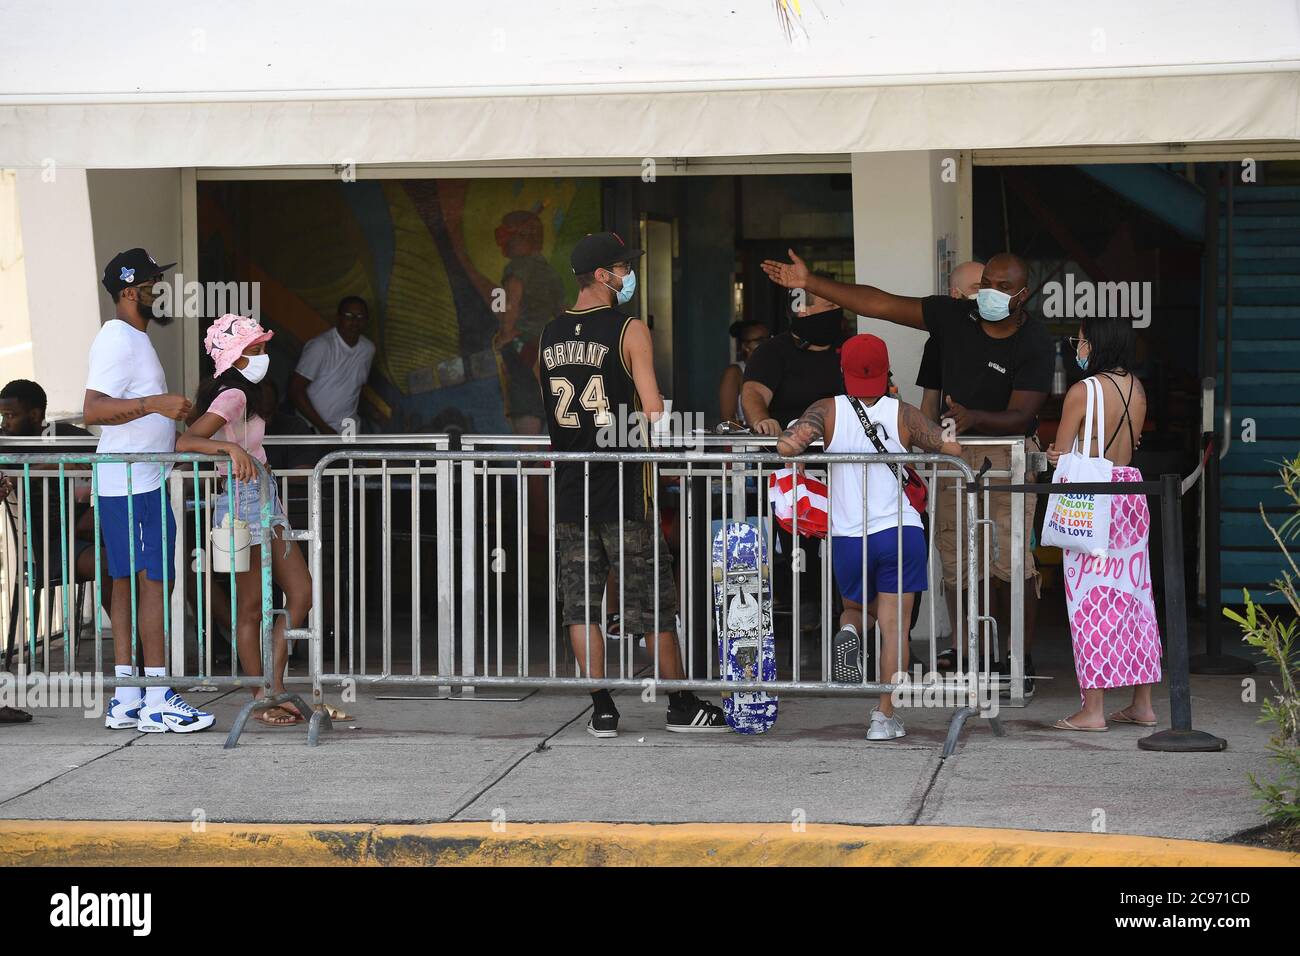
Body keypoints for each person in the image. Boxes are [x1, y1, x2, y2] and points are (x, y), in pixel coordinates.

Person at [762, 250, 1053, 693]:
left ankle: (1018, 663)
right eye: (985, 284)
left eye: (1002, 287)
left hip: (1007, 452)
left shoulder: (1035, 339)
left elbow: (1023, 413)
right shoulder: (953, 316)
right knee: (957, 560)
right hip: (954, 454)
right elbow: (878, 303)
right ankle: (969, 656)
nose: (989, 293)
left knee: (1011, 562)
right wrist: (812, 281)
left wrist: (972, 419)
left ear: (1023, 294)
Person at [539, 231, 727, 736]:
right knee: (652, 606)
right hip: (624, 491)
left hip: (570, 491)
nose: (628, 276)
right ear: (603, 276)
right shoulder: (628, 329)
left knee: (581, 606)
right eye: (623, 268)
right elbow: (653, 412)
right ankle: (682, 705)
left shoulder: (549, 335)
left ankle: (601, 708)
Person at [778, 334, 961, 740]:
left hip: (848, 536)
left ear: (842, 370)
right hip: (899, 531)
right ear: (886, 371)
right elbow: (952, 447)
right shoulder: (904, 414)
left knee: (856, 609)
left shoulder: (825, 409)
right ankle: (883, 716)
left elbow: (788, 446)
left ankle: (851, 632)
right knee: (894, 627)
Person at [84, 248, 215, 734]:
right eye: (152, 282)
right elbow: (93, 410)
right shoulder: (117, 338)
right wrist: (155, 403)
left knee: (126, 580)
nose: (159, 289)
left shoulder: (133, 338)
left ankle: (127, 695)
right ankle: (159, 695)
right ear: (127, 291)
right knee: (153, 581)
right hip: (135, 480)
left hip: (132, 478)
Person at [177, 314, 313, 726]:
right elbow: (185, 442)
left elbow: (199, 431)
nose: (263, 357)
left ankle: (273, 685)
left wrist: (233, 450)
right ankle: (262, 693)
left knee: (300, 591)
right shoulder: (232, 396)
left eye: (263, 349)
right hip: (240, 503)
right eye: (255, 350)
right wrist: (231, 453)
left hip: (265, 500)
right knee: (252, 606)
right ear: (234, 357)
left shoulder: (237, 393)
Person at [1047, 315, 1160, 731]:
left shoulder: (1082, 390)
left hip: (1091, 497)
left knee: (1090, 602)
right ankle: (1142, 704)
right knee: (1134, 597)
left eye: (1080, 341)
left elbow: (1061, 451)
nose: (1078, 348)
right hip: (1129, 490)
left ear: (1095, 344)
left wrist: (1049, 456)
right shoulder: (1137, 388)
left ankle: (1092, 710)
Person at [741, 283, 848, 622]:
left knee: (845, 551)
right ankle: (801, 618)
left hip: (845, 473)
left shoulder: (849, 349)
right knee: (795, 553)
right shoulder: (774, 351)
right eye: (826, 303)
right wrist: (763, 420)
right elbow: (753, 392)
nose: (835, 310)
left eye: (837, 304)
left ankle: (845, 622)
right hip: (790, 478)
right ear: (802, 309)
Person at [288, 296, 376, 435]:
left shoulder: (368, 349)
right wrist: (323, 428)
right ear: (338, 317)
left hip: (348, 428)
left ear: (366, 320)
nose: (354, 322)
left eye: (360, 317)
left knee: (348, 456)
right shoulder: (321, 346)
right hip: (313, 427)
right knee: (316, 457)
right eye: (349, 316)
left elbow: (354, 390)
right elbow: (295, 390)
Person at [718, 320, 770, 426]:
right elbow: (727, 418)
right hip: (747, 438)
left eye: (769, 338)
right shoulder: (735, 372)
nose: (767, 343)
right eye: (760, 340)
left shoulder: (775, 368)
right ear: (745, 345)